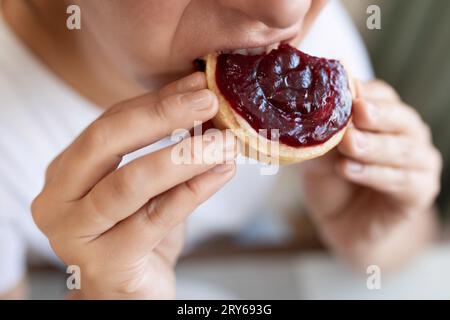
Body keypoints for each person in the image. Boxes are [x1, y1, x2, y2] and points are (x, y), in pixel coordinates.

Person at [0, 0, 442, 299]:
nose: (286, 10)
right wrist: (101, 291)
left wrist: (377, 235)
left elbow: (407, 250)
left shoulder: (313, 41)